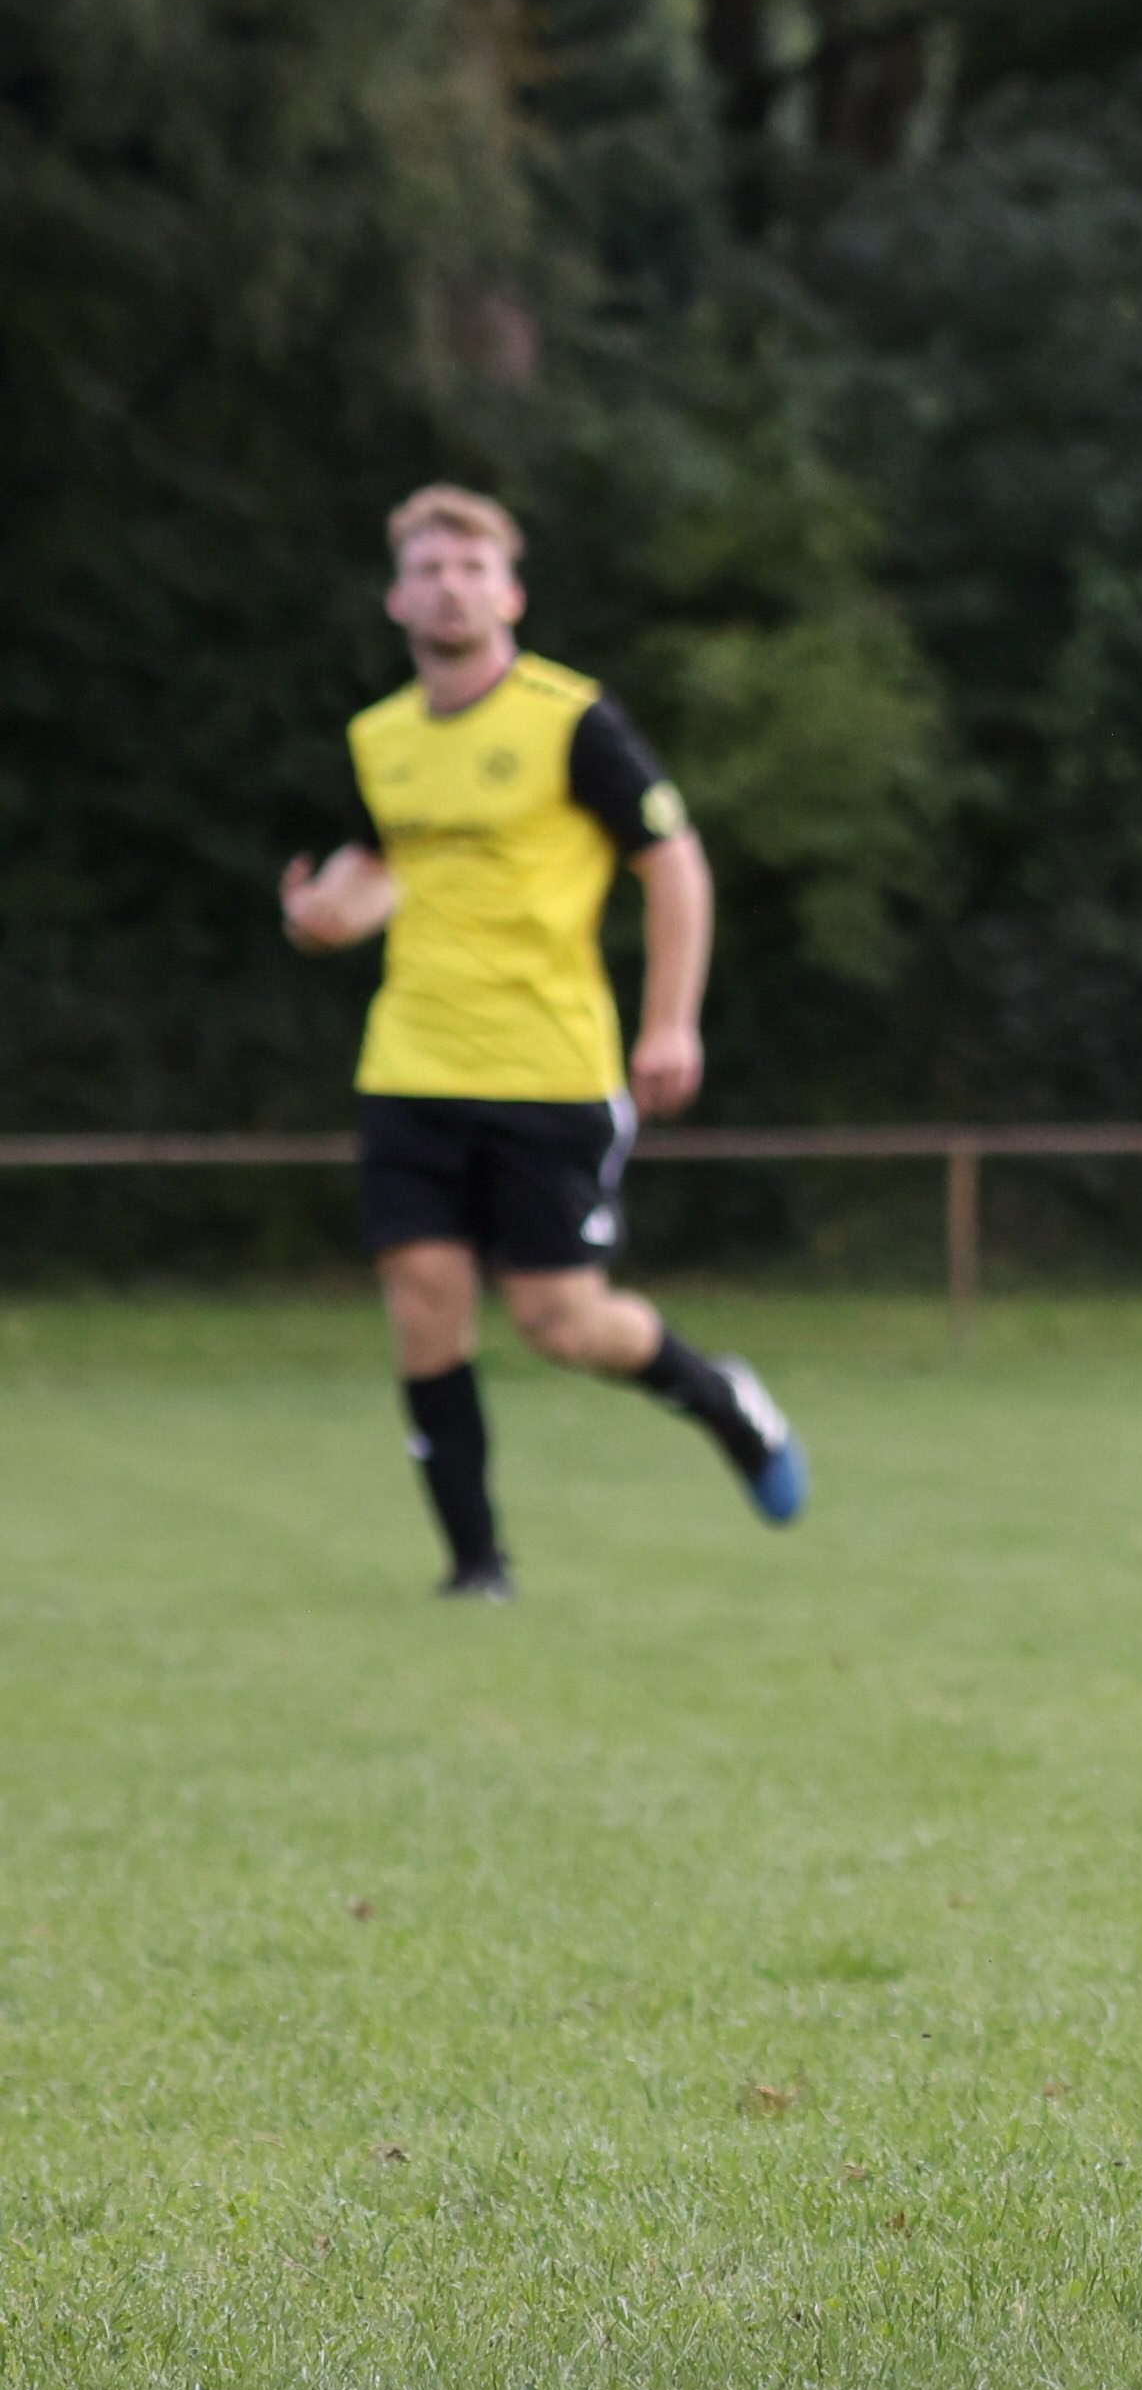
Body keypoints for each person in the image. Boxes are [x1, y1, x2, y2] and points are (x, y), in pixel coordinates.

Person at [277, 485, 804, 1594]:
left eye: (472, 569)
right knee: (424, 1305)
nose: (450, 588)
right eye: (429, 569)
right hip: (411, 1064)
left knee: (559, 1321)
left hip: (548, 1068)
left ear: (510, 595)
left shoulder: (573, 722)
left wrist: (670, 1020)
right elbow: (383, 868)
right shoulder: (380, 737)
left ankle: (720, 1397)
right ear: (396, 597)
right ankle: (476, 1566)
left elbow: (676, 865)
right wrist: (328, 913)